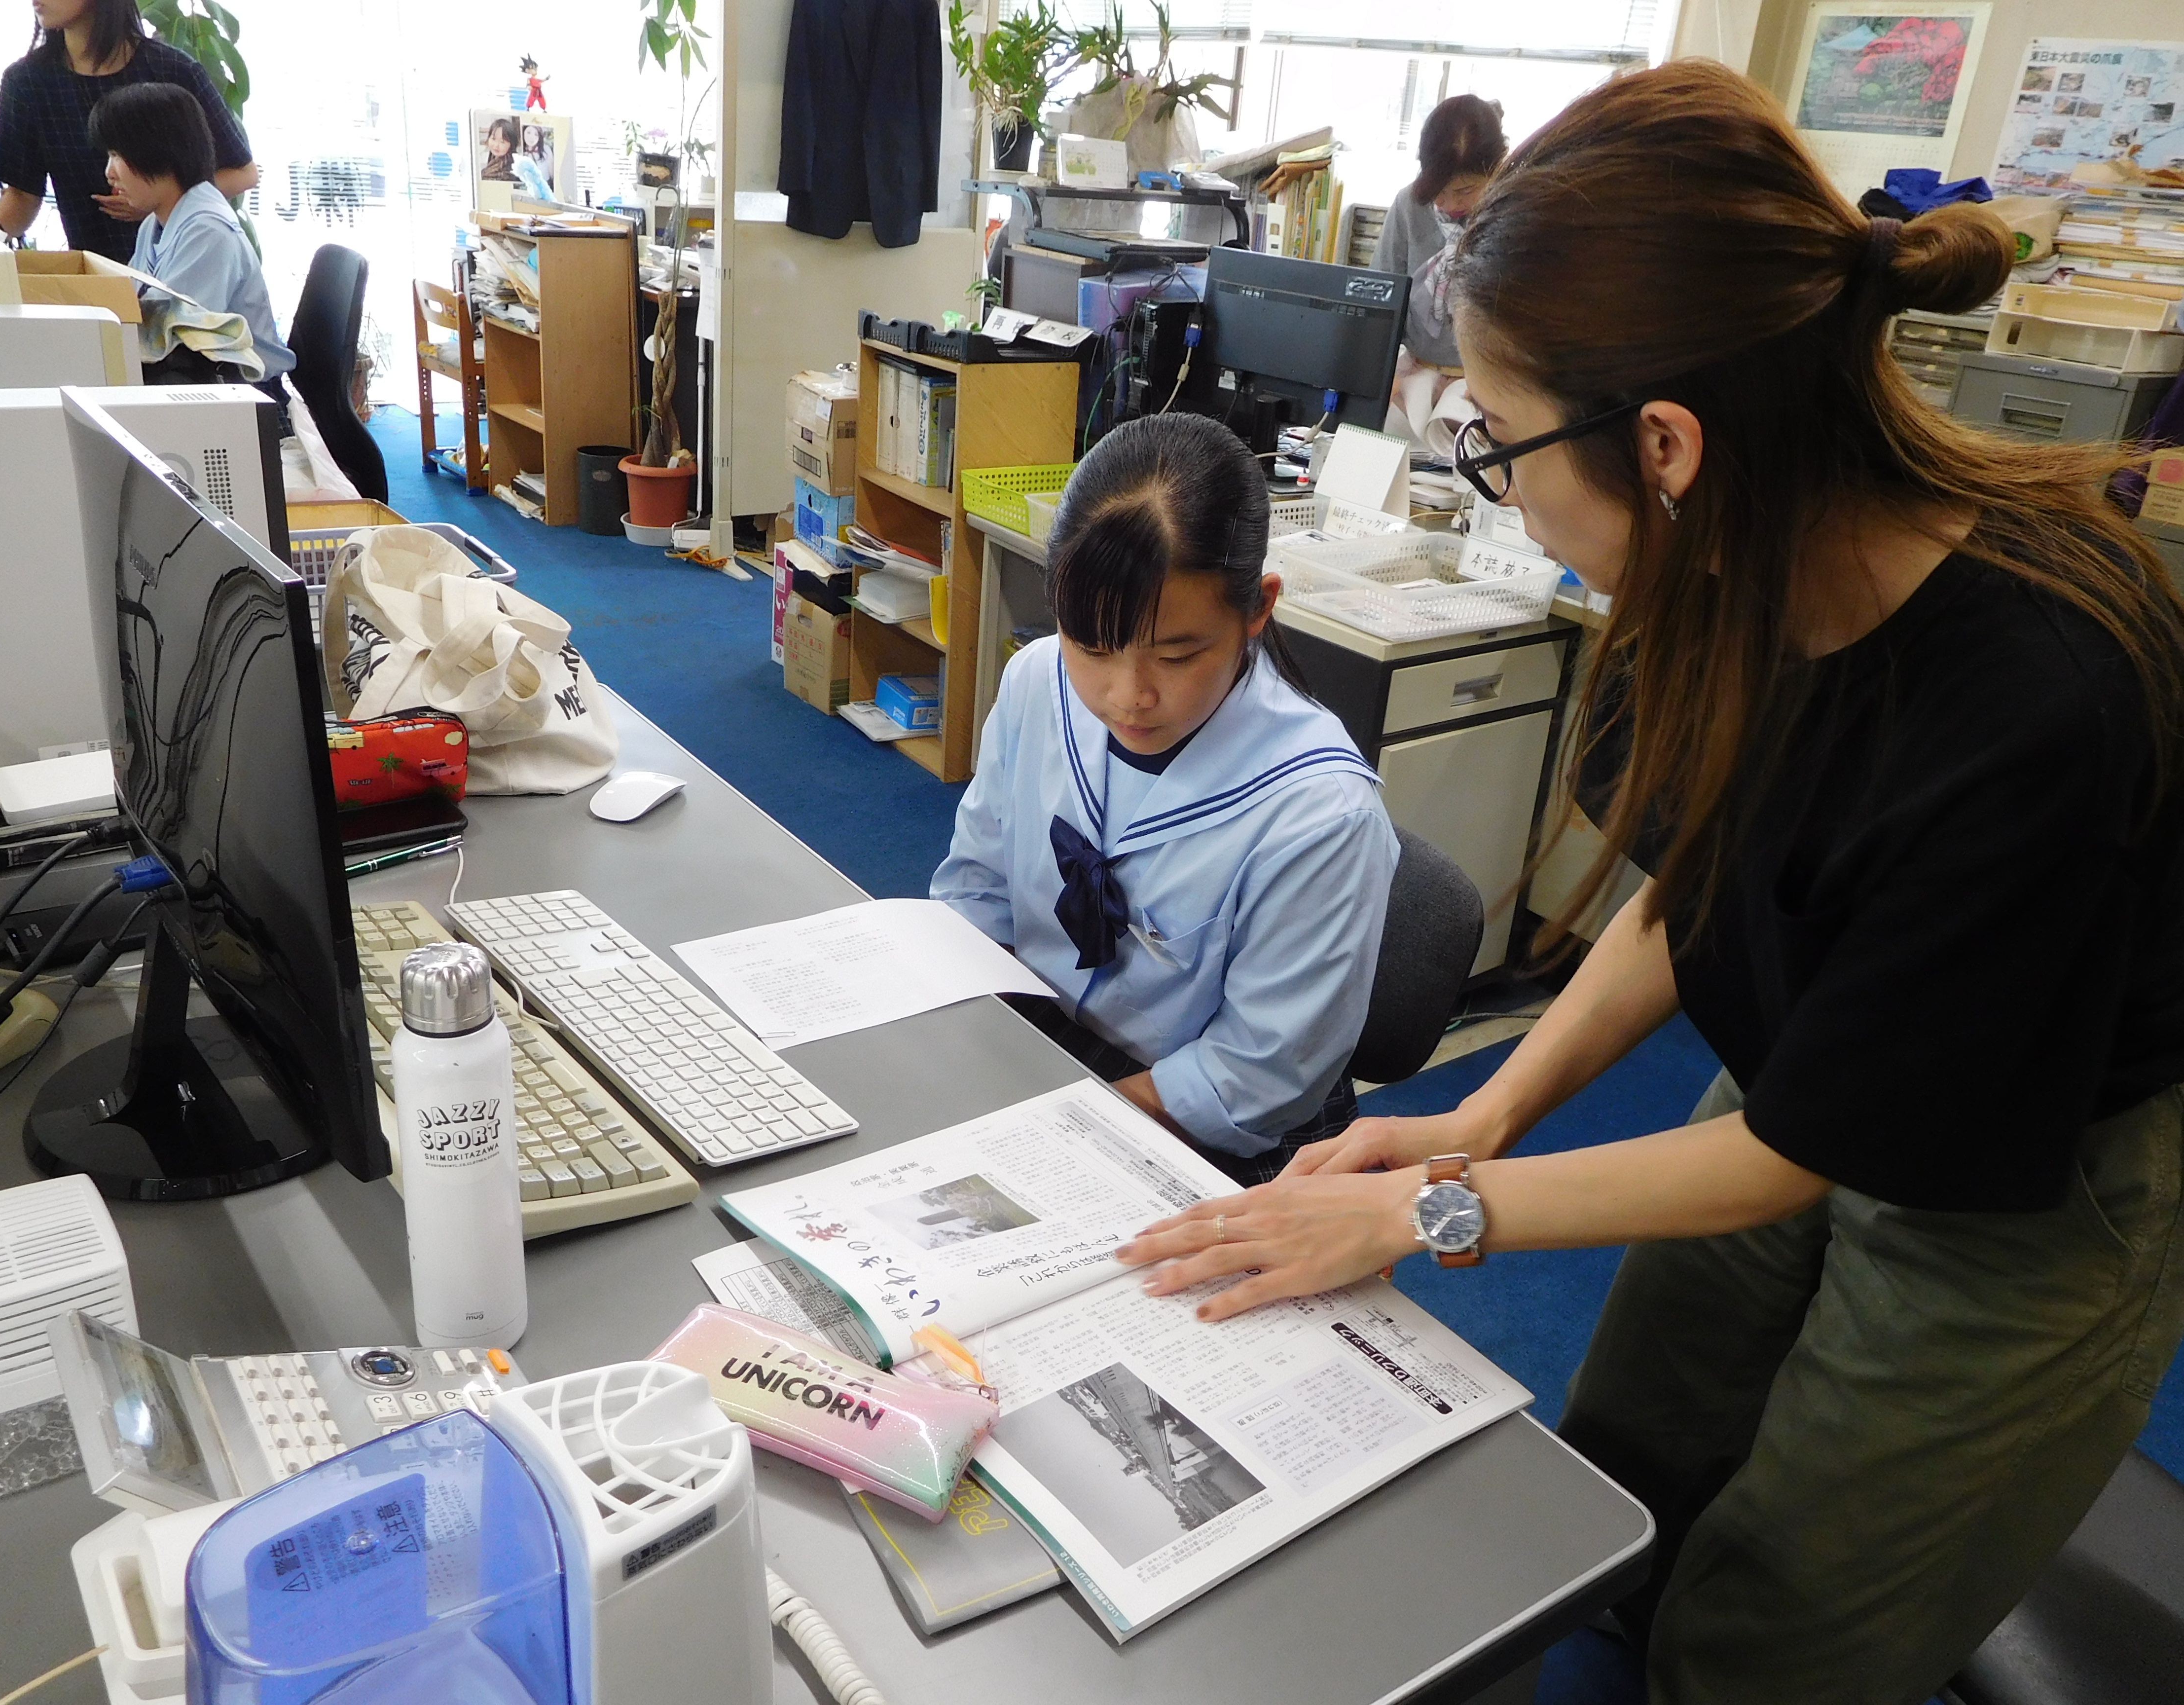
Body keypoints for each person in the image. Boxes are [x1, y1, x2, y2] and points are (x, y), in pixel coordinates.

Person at [1117, 59, 2184, 1705]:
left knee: (1774, 1633)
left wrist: (1425, 1208)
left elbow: (1800, 1152)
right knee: (1631, 1469)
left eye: (1497, 438)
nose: (1498, 477)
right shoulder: (1738, 565)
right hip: (1805, 1063)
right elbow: (1698, 890)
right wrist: (1479, 1120)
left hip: (2017, 1177)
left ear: (1666, 443)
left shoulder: (2035, 698)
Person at [933, 413, 1400, 1187]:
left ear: (1258, 609)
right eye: (1092, 646)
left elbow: (1254, 1076)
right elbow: (976, 892)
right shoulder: (1037, 681)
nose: (1128, 695)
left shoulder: (1321, 814)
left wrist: (1052, 1136)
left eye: (1178, 655)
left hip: (1216, 1123)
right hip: (1052, 1044)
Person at [0, 0, 257, 265]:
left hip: (181, 266)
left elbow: (242, 173)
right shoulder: (25, 82)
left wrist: (160, 199)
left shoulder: (174, 70)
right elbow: (22, 195)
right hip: (95, 274)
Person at [87, 84, 292, 403]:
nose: (109, 173)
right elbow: (132, 301)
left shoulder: (209, 231)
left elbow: (166, 333)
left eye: (117, 155)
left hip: (247, 397)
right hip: (201, 384)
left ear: (158, 151)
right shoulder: (156, 223)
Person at [1372, 93, 1505, 377]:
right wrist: (1380, 373)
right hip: (1415, 368)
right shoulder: (1410, 205)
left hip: (1486, 378)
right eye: (1440, 191)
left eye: (1465, 191)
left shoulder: (1510, 214)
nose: (1451, 203)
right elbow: (1381, 294)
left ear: (1496, 170)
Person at [480, 116, 518, 184]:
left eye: (502, 142)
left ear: (511, 145)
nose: (496, 145)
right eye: (493, 139)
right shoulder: (493, 159)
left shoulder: (509, 173)